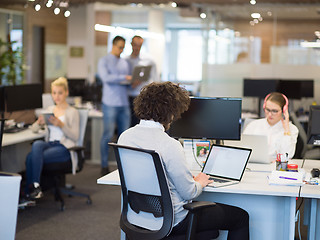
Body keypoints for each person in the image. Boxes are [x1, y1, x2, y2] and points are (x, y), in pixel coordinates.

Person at [118, 82, 250, 239]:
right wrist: (199, 182)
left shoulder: (125, 136)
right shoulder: (169, 145)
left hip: (137, 217)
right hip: (173, 220)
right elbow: (189, 192)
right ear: (171, 113)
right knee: (240, 217)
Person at [25, 77, 80, 199]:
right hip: (50, 144)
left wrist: (61, 125)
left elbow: (75, 136)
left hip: (64, 147)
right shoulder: (49, 110)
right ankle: (35, 186)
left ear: (66, 92)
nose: (57, 96)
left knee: (31, 157)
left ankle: (30, 191)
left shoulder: (72, 112)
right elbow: (33, 130)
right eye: (54, 93)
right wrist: (38, 123)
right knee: (37, 144)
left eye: (60, 93)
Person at [97, 36, 132, 176]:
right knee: (108, 135)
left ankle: (123, 167)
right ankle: (104, 165)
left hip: (123, 102)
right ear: (113, 45)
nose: (121, 50)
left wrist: (132, 81)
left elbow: (126, 81)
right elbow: (105, 78)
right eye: (119, 47)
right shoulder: (104, 61)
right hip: (110, 103)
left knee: (125, 137)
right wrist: (123, 78)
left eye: (123, 47)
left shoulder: (124, 63)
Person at [243, 92, 299, 159]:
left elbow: (288, 155)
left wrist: (286, 130)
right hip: (254, 165)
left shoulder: (292, 129)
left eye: (274, 111)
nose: (270, 114)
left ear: (283, 111)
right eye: (267, 110)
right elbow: (243, 151)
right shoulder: (253, 125)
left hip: (276, 167)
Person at [126, 35, 159, 126]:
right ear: (131, 44)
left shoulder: (149, 60)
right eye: (135, 45)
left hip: (143, 97)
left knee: (141, 124)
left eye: (139, 45)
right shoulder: (125, 60)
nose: (137, 48)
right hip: (128, 97)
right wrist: (131, 81)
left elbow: (155, 80)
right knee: (129, 124)